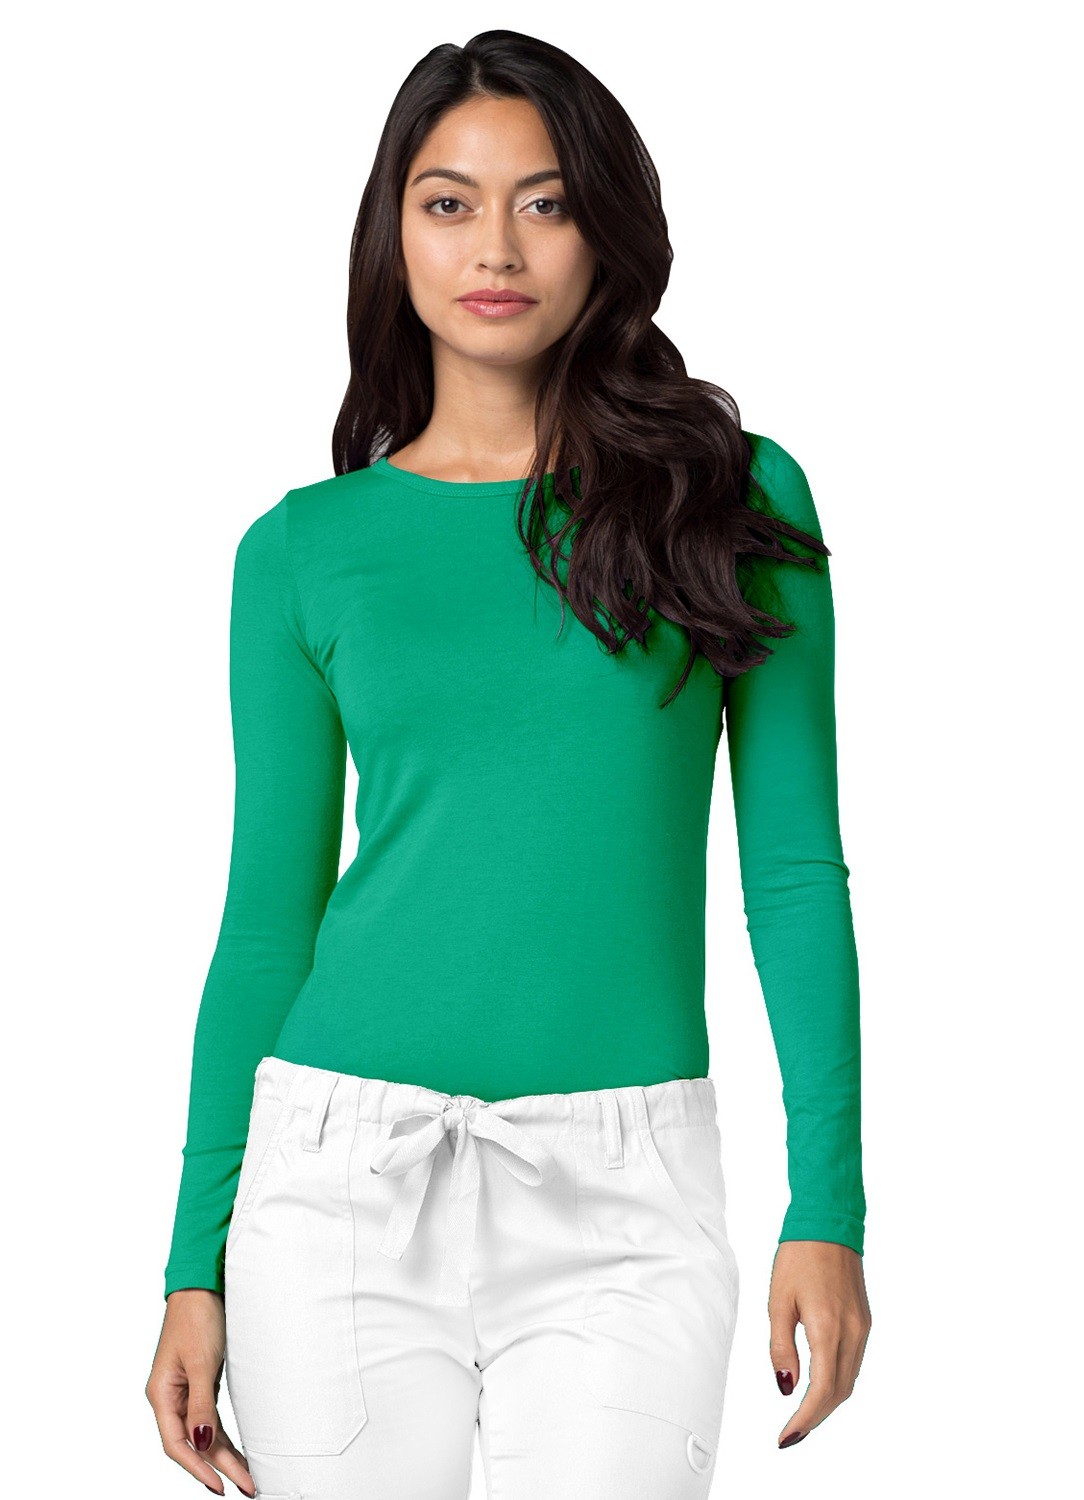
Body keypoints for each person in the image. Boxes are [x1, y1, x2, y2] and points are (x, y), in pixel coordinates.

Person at [145, 28, 872, 1500]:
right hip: (336, 1180)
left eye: (545, 202)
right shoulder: (300, 550)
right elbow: (267, 922)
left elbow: (794, 876)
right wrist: (191, 1264)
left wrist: (830, 1206)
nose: (497, 247)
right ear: (394, 234)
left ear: (606, 229)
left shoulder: (732, 499)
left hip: (627, 1194)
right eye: (449, 202)